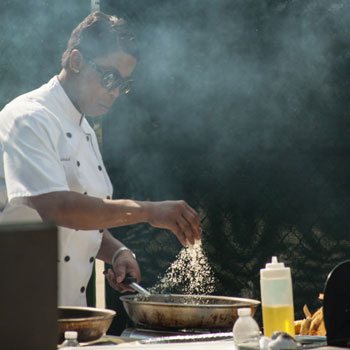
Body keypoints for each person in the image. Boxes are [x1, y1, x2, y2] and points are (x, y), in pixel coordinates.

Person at [0, 11, 201, 307]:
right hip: (17, 309)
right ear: (76, 61)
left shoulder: (85, 128)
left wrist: (116, 251)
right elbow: (55, 207)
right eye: (110, 77)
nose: (115, 91)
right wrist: (148, 211)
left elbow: (78, 223)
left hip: (69, 312)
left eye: (124, 83)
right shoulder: (28, 117)